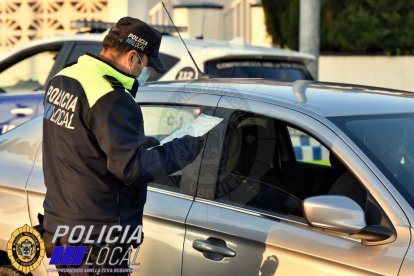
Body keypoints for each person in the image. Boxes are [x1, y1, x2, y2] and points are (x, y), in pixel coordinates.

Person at [42, 17, 204, 274]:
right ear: (132, 57)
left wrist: (148, 143)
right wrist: (188, 146)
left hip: (60, 228)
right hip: (97, 240)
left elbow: (86, 144)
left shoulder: (65, 78)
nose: (145, 71)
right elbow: (131, 168)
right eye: (146, 64)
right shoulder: (111, 97)